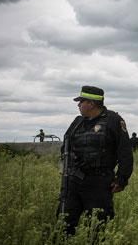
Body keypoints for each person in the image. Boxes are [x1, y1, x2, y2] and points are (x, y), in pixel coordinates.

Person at [57, 85, 133, 235]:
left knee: (99, 224)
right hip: (73, 180)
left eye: (81, 101)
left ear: (91, 103)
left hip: (99, 181)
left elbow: (125, 152)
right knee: (65, 220)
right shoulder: (77, 122)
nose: (78, 105)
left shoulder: (113, 120)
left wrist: (122, 179)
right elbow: (65, 147)